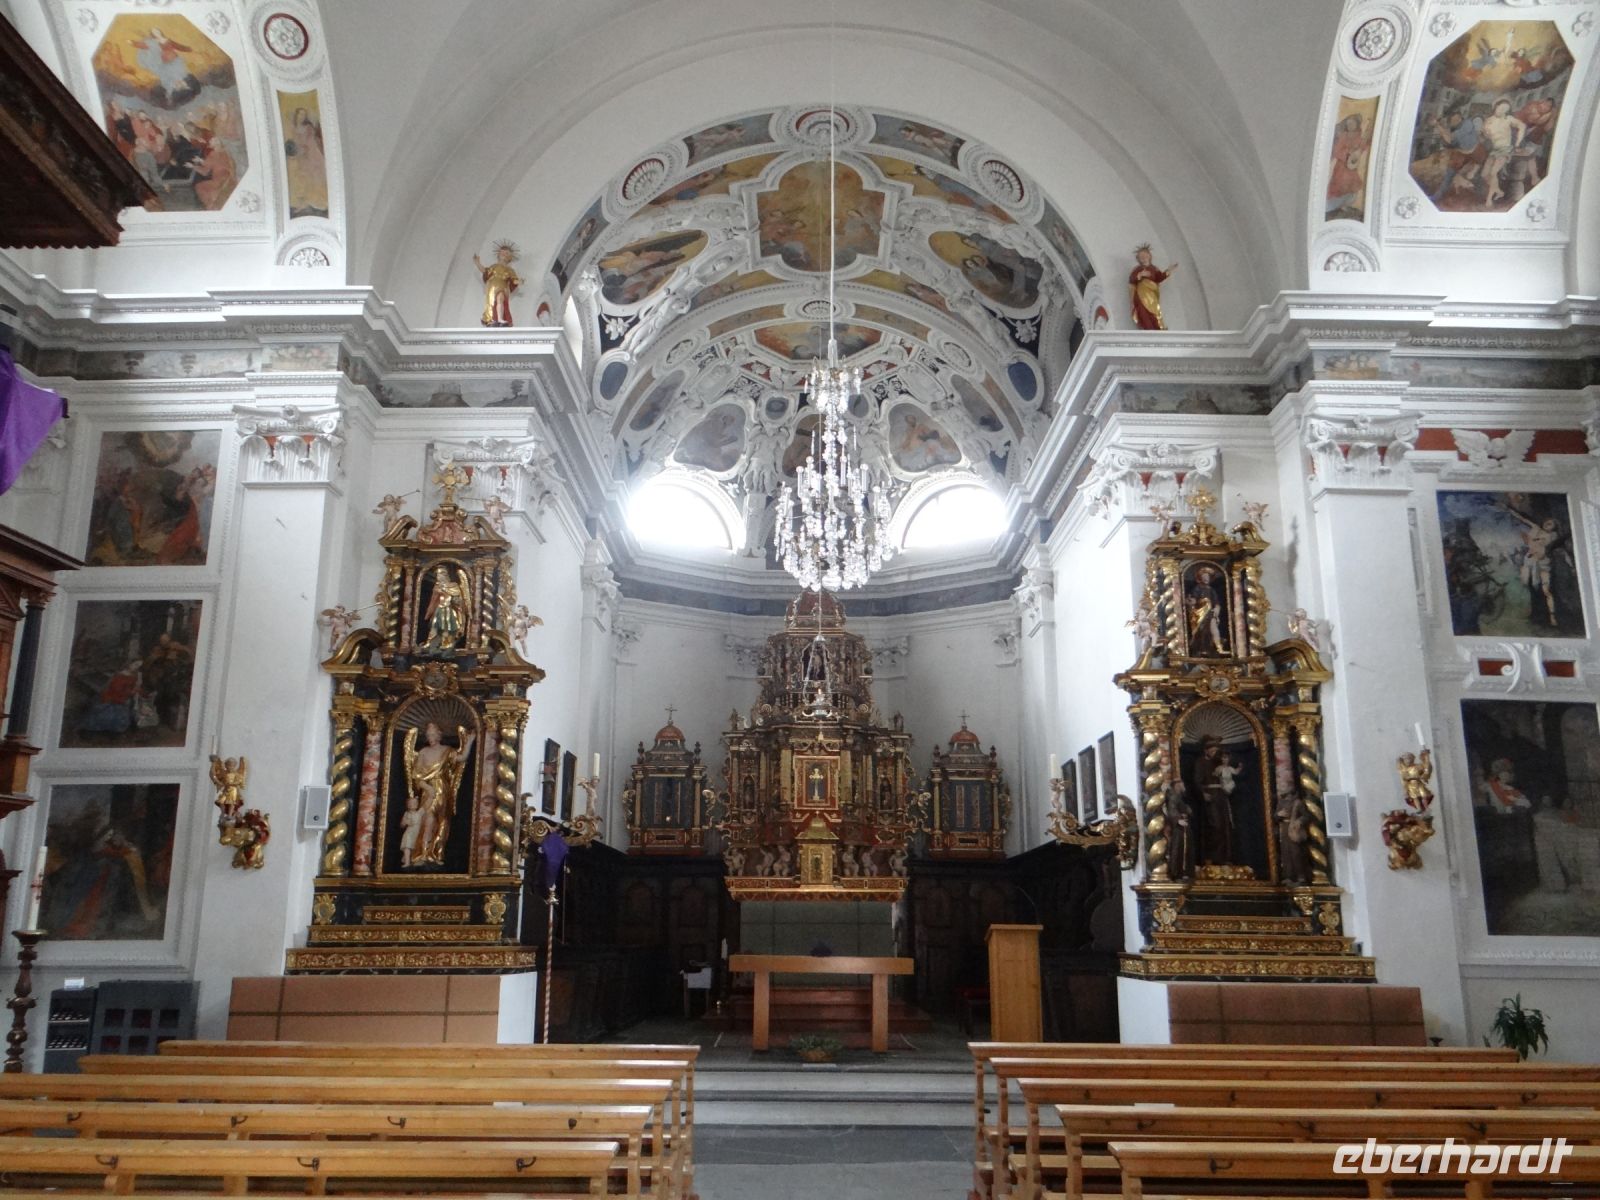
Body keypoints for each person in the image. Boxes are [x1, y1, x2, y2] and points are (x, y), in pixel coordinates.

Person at [402, 721, 474, 866]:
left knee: (442, 821)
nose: (430, 736)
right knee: (428, 819)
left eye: (433, 734)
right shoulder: (422, 752)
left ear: (439, 735)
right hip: (428, 790)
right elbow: (417, 776)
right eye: (428, 734)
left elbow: (462, 758)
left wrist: (470, 741)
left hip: (443, 789)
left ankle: (436, 853)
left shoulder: (447, 750)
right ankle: (423, 853)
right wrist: (428, 789)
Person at [418, 565, 470, 654]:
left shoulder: (454, 585)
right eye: (437, 575)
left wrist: (456, 601)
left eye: (440, 574)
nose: (439, 577)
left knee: (449, 627)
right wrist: (428, 614)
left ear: (445, 575)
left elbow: (460, 600)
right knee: (435, 626)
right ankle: (430, 642)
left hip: (451, 610)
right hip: (439, 610)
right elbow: (433, 601)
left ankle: (447, 644)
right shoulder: (437, 587)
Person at [1128, 244, 1178, 330]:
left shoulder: (1154, 269)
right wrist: (1140, 274)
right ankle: (1148, 328)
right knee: (1143, 311)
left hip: (1152, 295)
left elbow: (1159, 278)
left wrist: (1168, 271)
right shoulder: (1138, 269)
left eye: (1145, 255)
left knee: (1154, 311)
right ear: (1138, 259)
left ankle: (1158, 329)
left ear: (1149, 256)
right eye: (1141, 256)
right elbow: (1132, 279)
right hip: (1141, 294)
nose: (1143, 257)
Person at [472, 242, 521, 327]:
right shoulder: (494, 266)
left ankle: (500, 318)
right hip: (492, 286)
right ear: (498, 254)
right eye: (502, 252)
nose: (504, 254)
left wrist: (519, 281)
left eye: (506, 253)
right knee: (491, 302)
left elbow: (514, 281)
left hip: (503, 286)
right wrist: (477, 263)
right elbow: (484, 271)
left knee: (501, 299)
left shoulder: (510, 270)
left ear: (509, 257)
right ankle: (492, 319)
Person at [398, 794, 422, 867]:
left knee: (415, 847)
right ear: (407, 805)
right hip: (409, 833)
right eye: (410, 803)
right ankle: (407, 862)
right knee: (407, 846)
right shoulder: (406, 813)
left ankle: (414, 860)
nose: (412, 805)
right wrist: (405, 822)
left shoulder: (420, 812)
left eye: (414, 803)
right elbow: (402, 825)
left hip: (417, 833)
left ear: (417, 804)